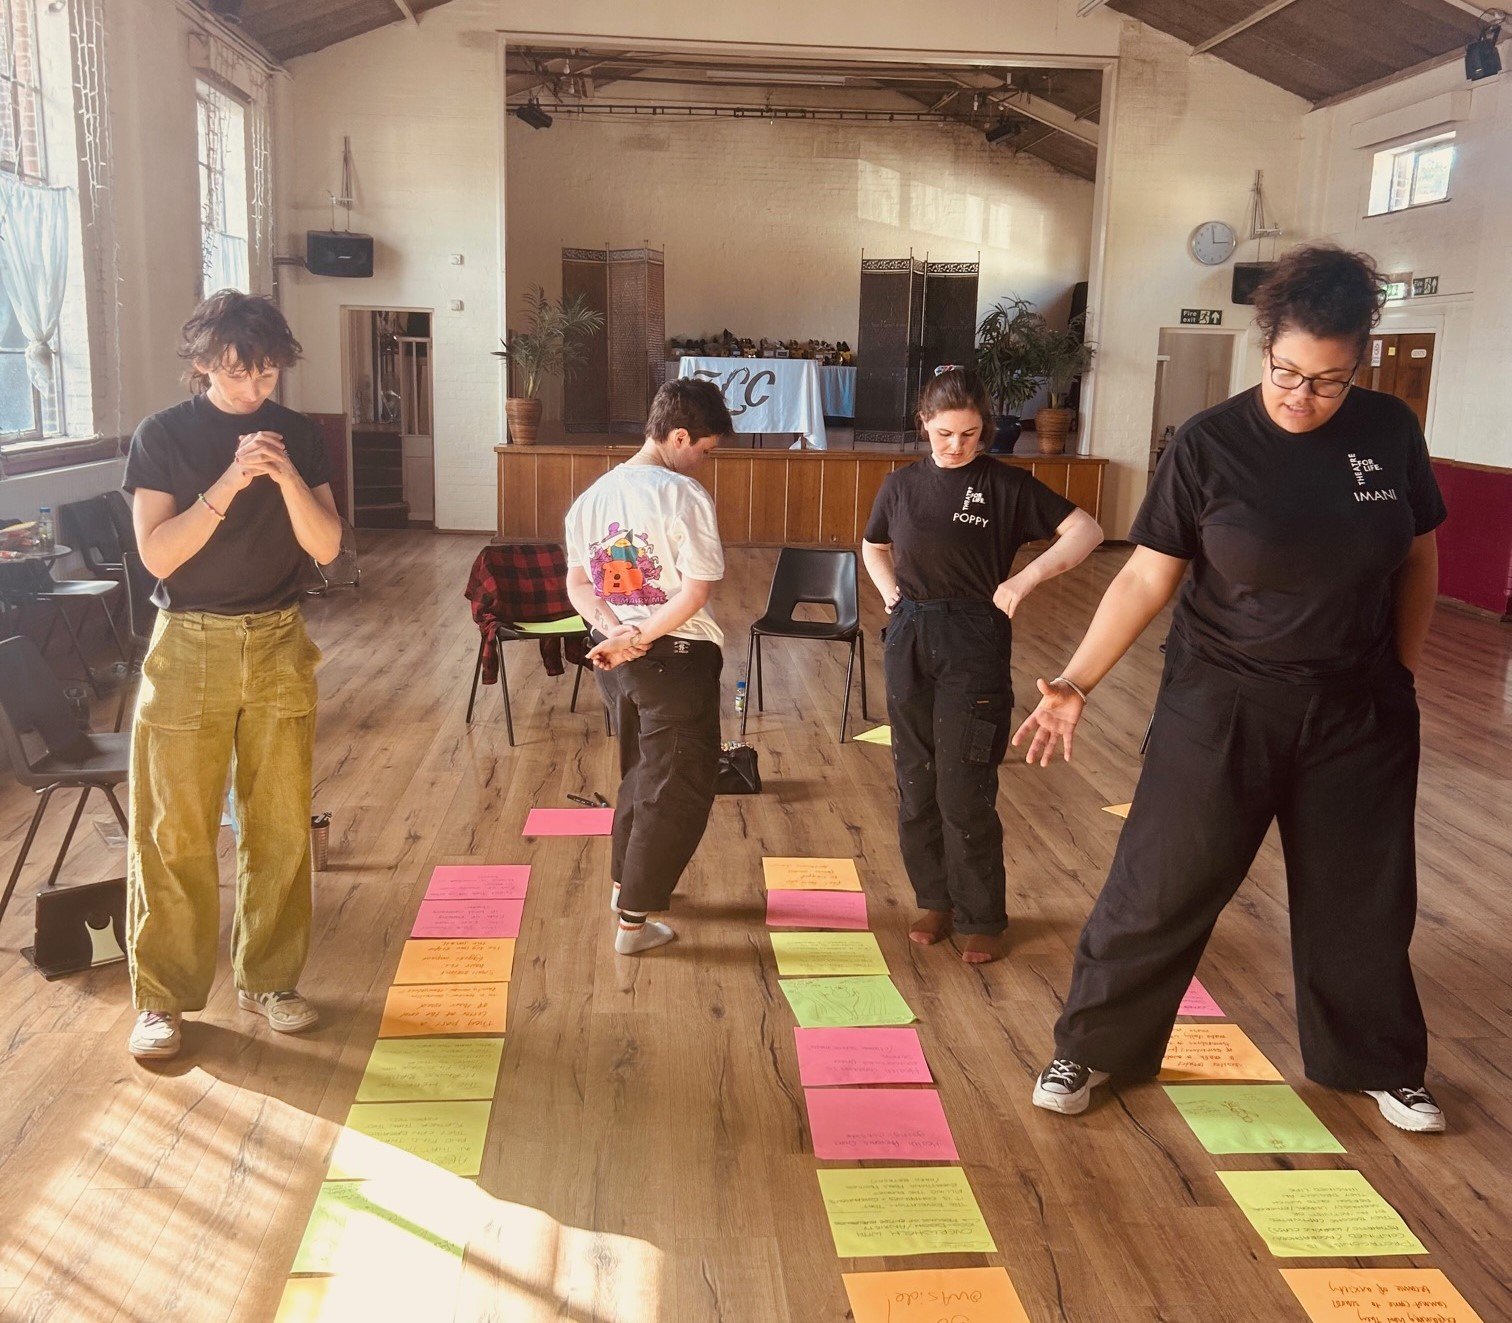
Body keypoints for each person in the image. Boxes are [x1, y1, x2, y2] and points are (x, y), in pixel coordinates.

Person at [1016, 245, 1448, 1134]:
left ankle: (1377, 1061)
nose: (1301, 395)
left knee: (1362, 894)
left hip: (1357, 710)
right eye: (1287, 372)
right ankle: (1095, 1046)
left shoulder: (1389, 433)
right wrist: (1073, 681)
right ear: (1264, 348)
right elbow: (1144, 578)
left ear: (1357, 364)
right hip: (1222, 702)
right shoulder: (1210, 442)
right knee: (1160, 882)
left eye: (1327, 381)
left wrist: (1399, 675)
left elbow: (1418, 556)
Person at [123, 291, 342, 1061]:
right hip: (187, 644)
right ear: (205, 363)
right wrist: (227, 484)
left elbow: (325, 547)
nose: (258, 387)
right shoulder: (164, 436)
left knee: (279, 823)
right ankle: (162, 999)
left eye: (271, 371)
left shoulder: (300, 437)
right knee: (174, 830)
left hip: (278, 638)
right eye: (243, 372)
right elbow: (157, 555)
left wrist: (281, 477)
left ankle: (269, 979)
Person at [861, 367, 1103, 964]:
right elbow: (874, 544)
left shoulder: (1006, 486)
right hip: (910, 634)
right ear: (925, 425)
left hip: (975, 636)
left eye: (970, 434)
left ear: (984, 430)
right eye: (945, 433)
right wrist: (890, 591)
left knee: (964, 785)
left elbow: (1087, 531)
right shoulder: (899, 485)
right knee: (916, 781)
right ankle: (935, 900)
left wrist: (1027, 575)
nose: (957, 446)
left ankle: (982, 915)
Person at [564, 378, 734, 956]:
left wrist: (616, 633)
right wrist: (636, 635)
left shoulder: (591, 497)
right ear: (679, 435)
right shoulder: (682, 494)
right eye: (705, 451)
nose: (703, 464)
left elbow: (579, 585)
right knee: (678, 785)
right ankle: (634, 924)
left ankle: (623, 888)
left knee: (642, 771)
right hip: (674, 656)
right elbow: (695, 593)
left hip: (619, 660)